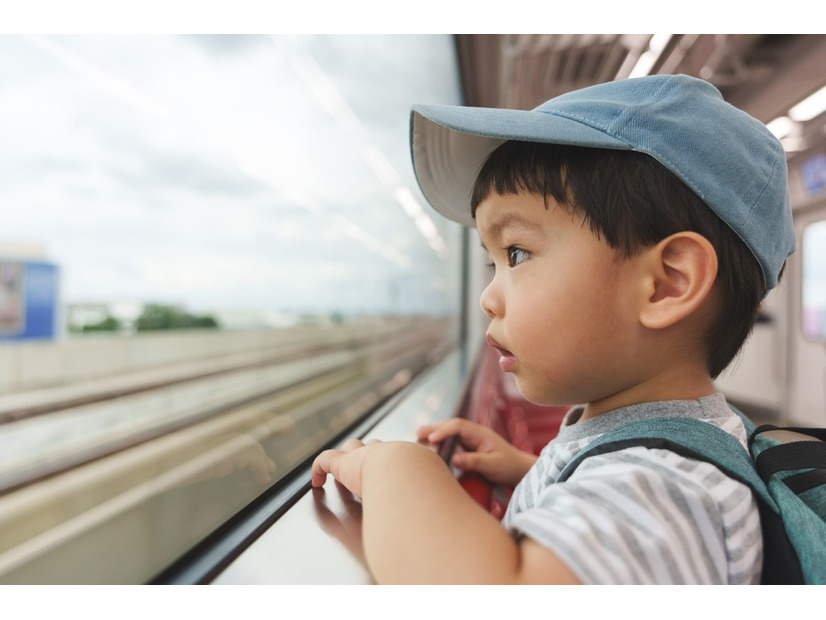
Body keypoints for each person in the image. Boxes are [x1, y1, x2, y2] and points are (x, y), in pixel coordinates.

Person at [311, 74, 796, 584]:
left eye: (516, 254)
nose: (486, 297)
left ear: (666, 284)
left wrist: (399, 470)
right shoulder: (662, 455)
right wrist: (529, 470)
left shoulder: (668, 487)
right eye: (493, 261)